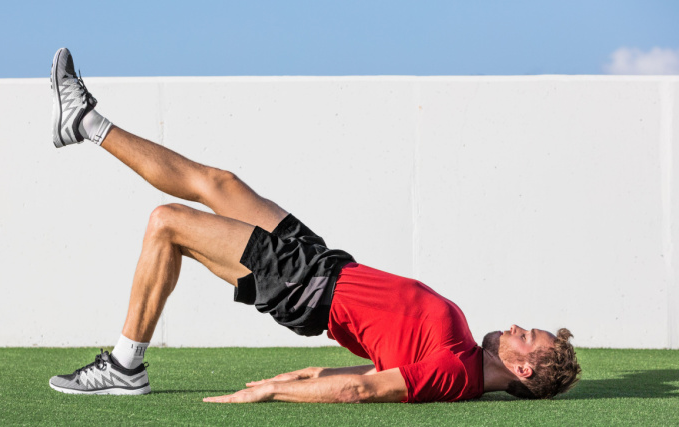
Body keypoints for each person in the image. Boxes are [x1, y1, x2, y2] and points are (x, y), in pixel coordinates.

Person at [47, 48, 581, 403]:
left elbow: (368, 391)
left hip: (305, 286)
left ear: (525, 370)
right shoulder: (462, 349)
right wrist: (306, 376)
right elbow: (365, 372)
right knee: (219, 181)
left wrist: (273, 393)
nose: (515, 327)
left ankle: (124, 366)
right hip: (323, 263)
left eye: (525, 336)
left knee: (167, 224)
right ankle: (85, 122)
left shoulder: (458, 374)